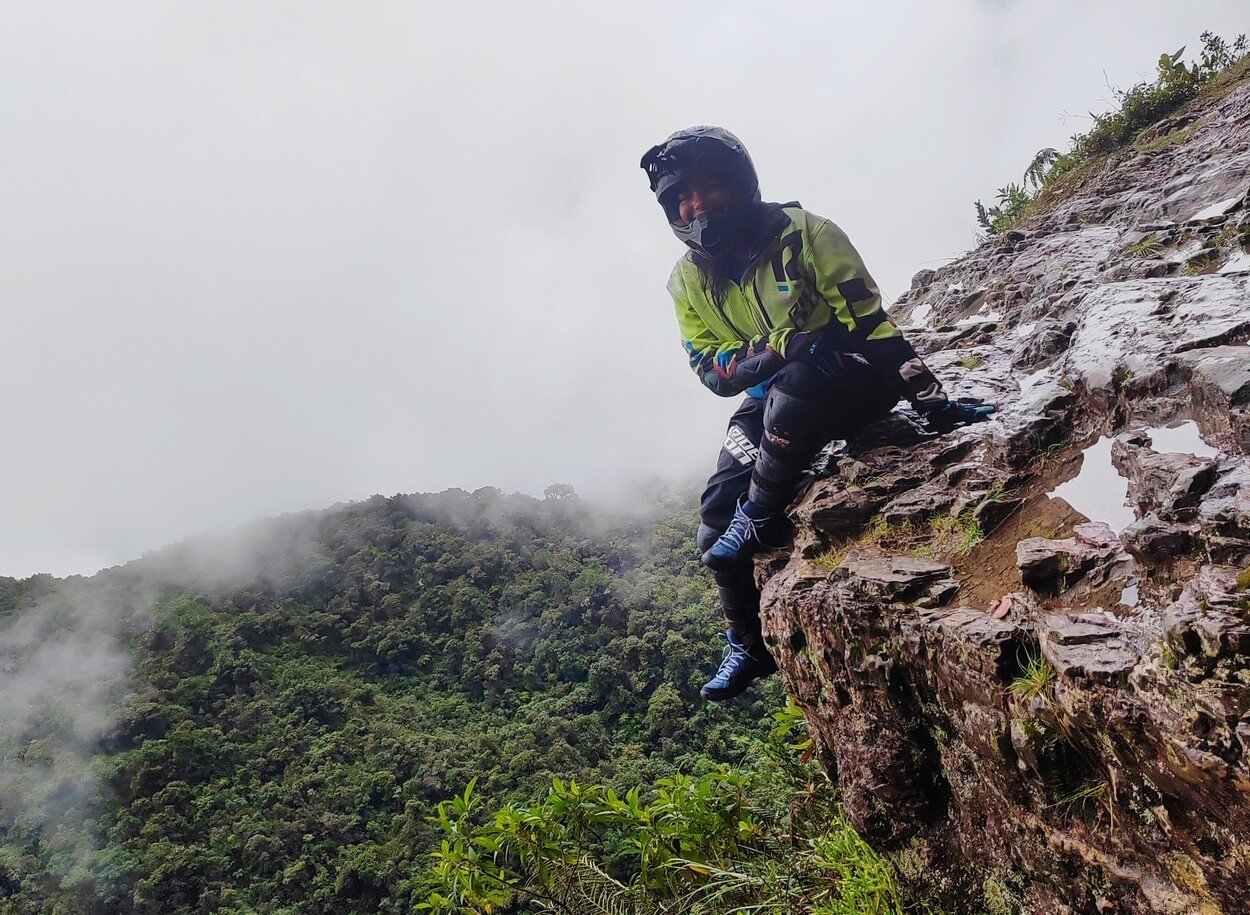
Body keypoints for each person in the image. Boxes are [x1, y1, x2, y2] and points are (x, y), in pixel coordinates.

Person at [640, 126, 994, 701]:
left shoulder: (807, 235)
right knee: (711, 522)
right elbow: (710, 372)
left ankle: (759, 514)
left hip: (851, 378)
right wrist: (779, 348)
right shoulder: (687, 280)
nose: (695, 205)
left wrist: (933, 402)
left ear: (739, 184)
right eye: (682, 198)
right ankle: (747, 644)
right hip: (772, 397)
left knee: (799, 384)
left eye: (705, 189)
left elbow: (875, 327)